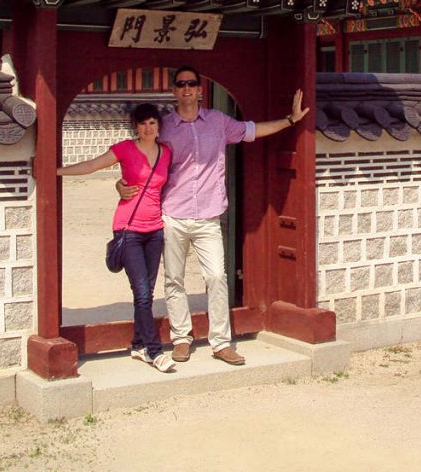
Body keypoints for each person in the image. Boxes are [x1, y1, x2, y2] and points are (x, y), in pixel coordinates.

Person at [117, 65, 309, 366]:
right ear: (173, 90)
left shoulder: (218, 122)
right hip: (173, 213)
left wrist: (290, 120)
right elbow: (139, 155)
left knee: (217, 277)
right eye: (180, 84)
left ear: (200, 89)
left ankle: (220, 342)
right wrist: (121, 183)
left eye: (191, 83)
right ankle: (181, 338)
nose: (186, 89)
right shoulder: (163, 126)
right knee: (174, 280)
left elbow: (252, 130)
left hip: (208, 215)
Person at [58, 102, 175, 373]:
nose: (148, 128)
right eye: (143, 123)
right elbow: (93, 165)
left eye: (152, 123)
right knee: (143, 292)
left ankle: (137, 344)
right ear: (135, 126)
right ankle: (154, 351)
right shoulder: (124, 149)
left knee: (146, 292)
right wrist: (57, 172)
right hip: (128, 228)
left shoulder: (166, 152)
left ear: (158, 126)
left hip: (155, 229)